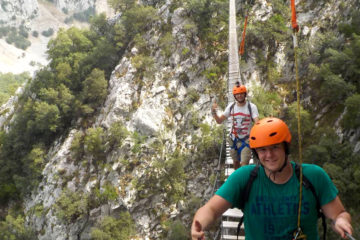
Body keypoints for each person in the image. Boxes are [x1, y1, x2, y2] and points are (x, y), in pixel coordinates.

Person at [191, 117, 353, 240]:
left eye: (275, 147)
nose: (269, 155)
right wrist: (198, 225)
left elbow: (339, 214)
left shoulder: (313, 177)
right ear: (256, 153)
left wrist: (341, 221)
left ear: (285, 148)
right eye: (262, 150)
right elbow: (211, 209)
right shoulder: (244, 177)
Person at [211, 82, 259, 169]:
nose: (239, 96)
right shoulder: (231, 107)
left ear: (245, 94)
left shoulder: (251, 107)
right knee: (236, 163)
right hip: (233, 139)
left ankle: (243, 181)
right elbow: (219, 121)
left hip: (247, 139)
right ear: (234, 96)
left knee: (244, 165)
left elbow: (257, 123)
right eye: (237, 94)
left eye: (241, 94)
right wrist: (214, 112)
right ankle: (238, 180)